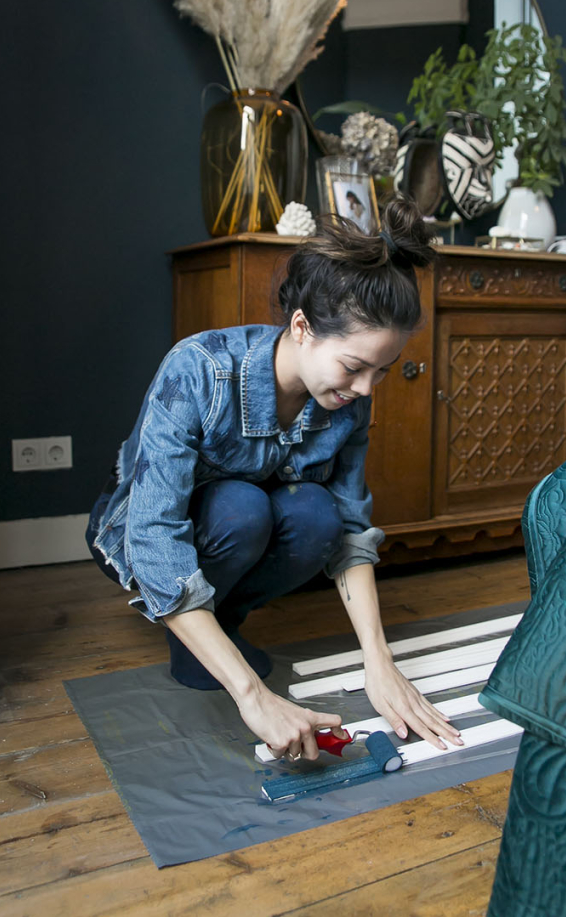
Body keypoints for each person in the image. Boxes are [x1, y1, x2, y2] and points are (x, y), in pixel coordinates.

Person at [85, 198, 463, 764]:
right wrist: (253, 696)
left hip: (244, 518)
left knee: (318, 515)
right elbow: (152, 536)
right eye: (355, 366)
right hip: (139, 534)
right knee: (241, 506)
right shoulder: (198, 369)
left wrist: (379, 663)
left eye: (382, 370)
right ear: (303, 327)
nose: (366, 389)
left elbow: (351, 531)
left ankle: (223, 622)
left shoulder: (348, 403)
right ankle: (197, 640)